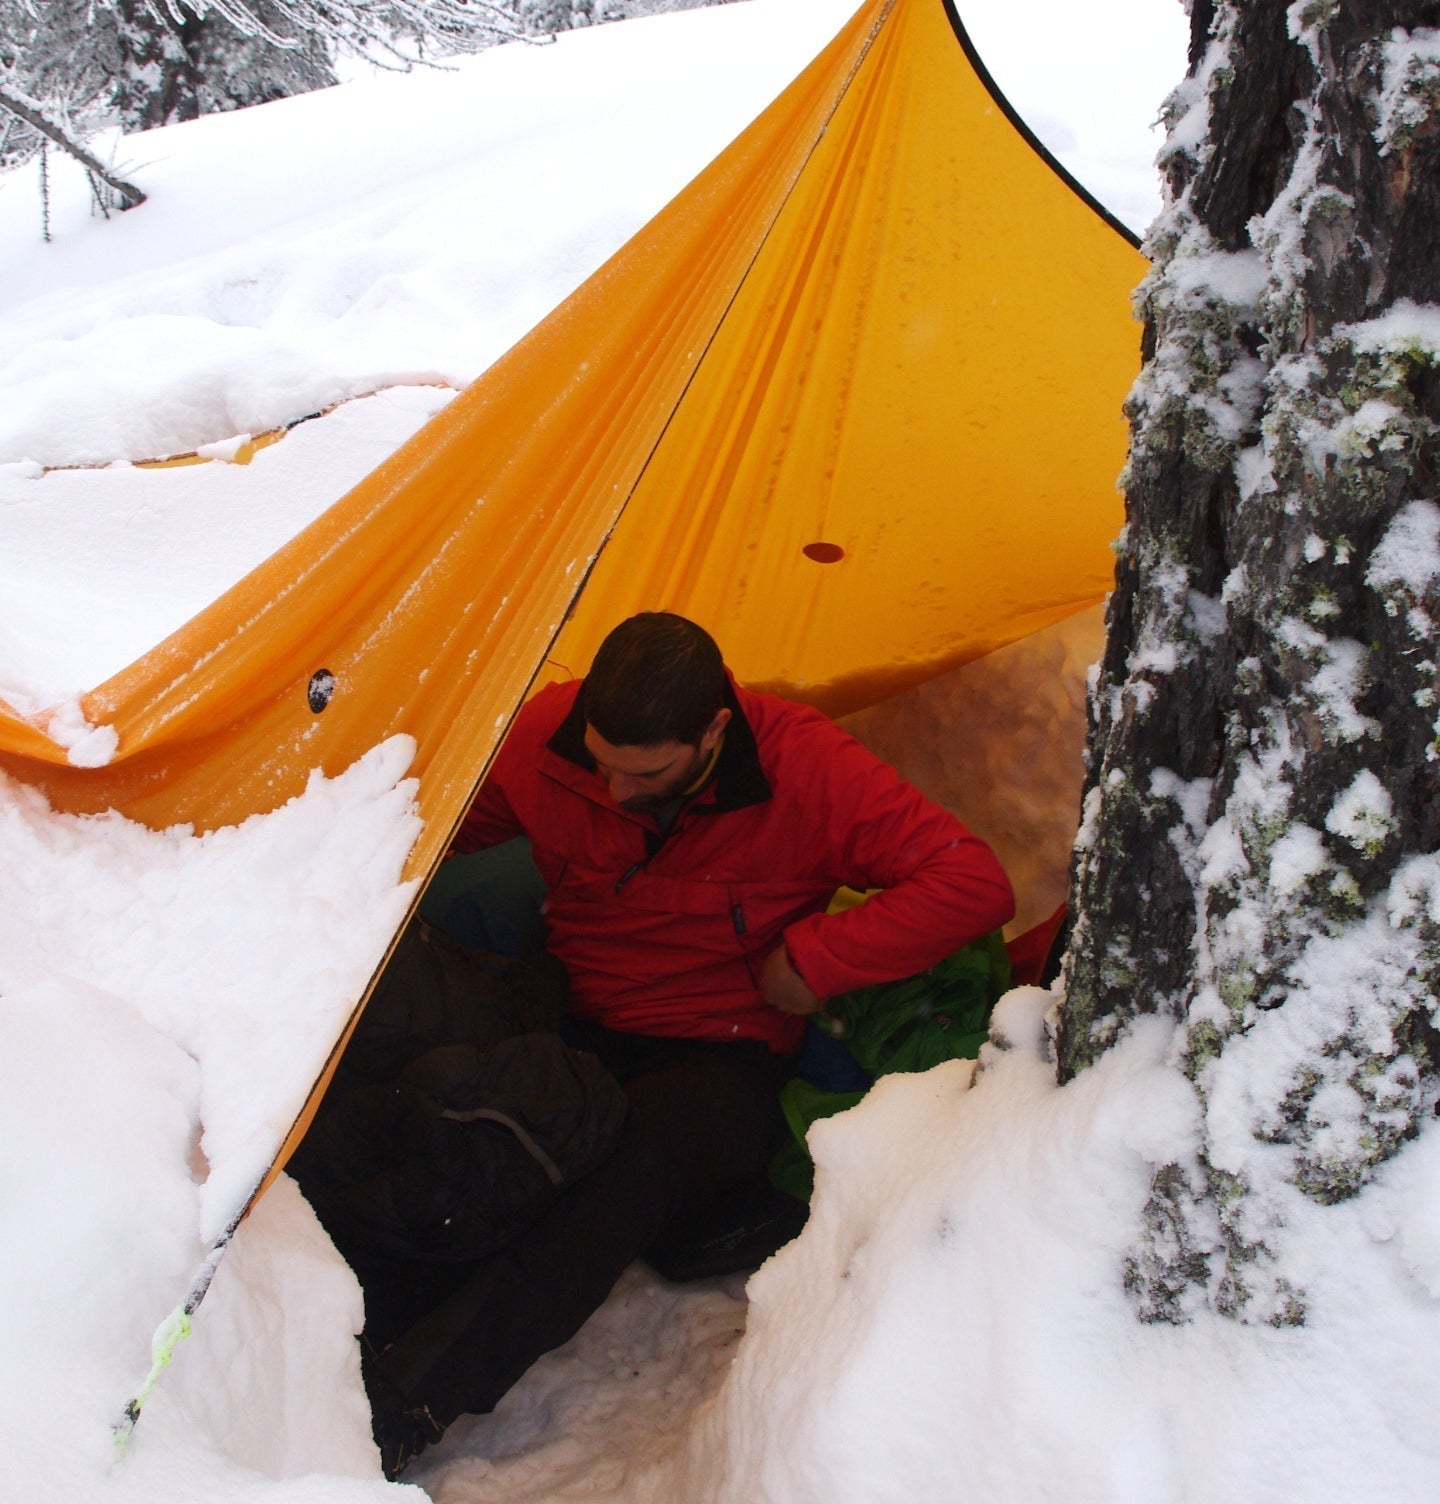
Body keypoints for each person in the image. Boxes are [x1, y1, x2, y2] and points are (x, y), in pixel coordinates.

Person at [355, 612, 1013, 1474]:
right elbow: (429, 819)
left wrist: (817, 959)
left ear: (715, 728)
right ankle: (331, 1316)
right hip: (578, 1011)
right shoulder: (543, 743)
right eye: (601, 764)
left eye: (646, 773)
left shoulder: (802, 767)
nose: (616, 790)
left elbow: (970, 881)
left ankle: (410, 1402)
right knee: (463, 1107)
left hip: (722, 1052)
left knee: (625, 1170)